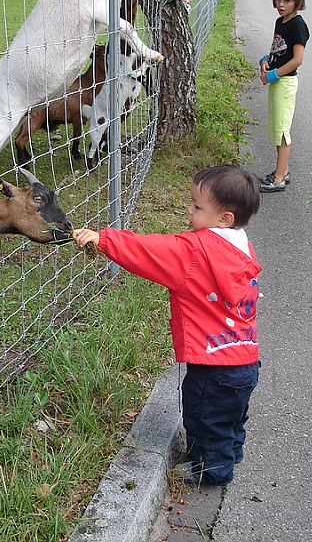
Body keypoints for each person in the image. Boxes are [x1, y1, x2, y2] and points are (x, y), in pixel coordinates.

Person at [73, 164, 262, 486]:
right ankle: (230, 452)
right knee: (231, 416)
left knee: (205, 416)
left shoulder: (195, 251)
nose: (189, 211)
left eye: (197, 207)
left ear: (224, 218)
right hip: (245, 359)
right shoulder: (241, 248)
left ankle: (213, 470)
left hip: (211, 363)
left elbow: (148, 251)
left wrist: (103, 239)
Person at [258, 0, 310, 193]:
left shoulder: (298, 25)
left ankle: (279, 178)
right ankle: (283, 170)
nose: (281, 4)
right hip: (277, 79)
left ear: (297, 3)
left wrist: (273, 75)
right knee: (276, 127)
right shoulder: (281, 22)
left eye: (287, 1)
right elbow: (278, 50)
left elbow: (298, 59)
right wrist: (265, 60)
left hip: (285, 82)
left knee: (282, 132)